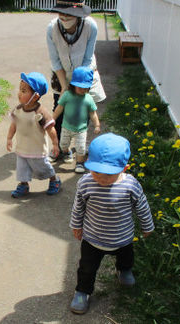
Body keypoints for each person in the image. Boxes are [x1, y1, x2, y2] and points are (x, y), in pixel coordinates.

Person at [69, 133, 154, 314]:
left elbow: (142, 206)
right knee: (86, 268)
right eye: (96, 171)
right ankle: (82, 291)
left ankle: (124, 270)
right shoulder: (86, 183)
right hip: (93, 239)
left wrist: (147, 225)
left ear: (125, 168)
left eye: (108, 174)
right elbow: (78, 207)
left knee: (126, 258)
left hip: (122, 237)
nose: (101, 177)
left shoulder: (131, 185)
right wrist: (76, 225)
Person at [47, 0, 106, 161]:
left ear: (79, 13)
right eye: (61, 13)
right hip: (61, 75)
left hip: (84, 76)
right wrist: (65, 86)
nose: (64, 18)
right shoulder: (52, 28)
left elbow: (88, 58)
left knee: (83, 110)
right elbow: (55, 60)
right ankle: (59, 148)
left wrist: (79, 84)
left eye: (69, 14)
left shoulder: (90, 26)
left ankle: (79, 147)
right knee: (60, 108)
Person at [6, 72, 61, 198]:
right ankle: (23, 185)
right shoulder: (18, 110)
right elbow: (14, 124)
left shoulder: (40, 113)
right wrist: (9, 138)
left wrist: (55, 144)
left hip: (37, 149)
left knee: (42, 168)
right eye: (20, 89)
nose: (19, 93)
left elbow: (51, 129)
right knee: (22, 169)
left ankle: (54, 180)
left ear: (35, 96)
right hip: (22, 148)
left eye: (24, 91)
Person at [53, 66, 100, 173]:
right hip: (66, 127)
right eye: (80, 87)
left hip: (81, 130)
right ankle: (67, 152)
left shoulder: (88, 99)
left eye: (85, 87)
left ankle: (79, 163)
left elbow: (93, 113)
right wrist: (53, 119)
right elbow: (59, 108)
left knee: (81, 148)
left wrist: (97, 124)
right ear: (73, 85)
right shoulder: (67, 95)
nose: (83, 90)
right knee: (63, 145)